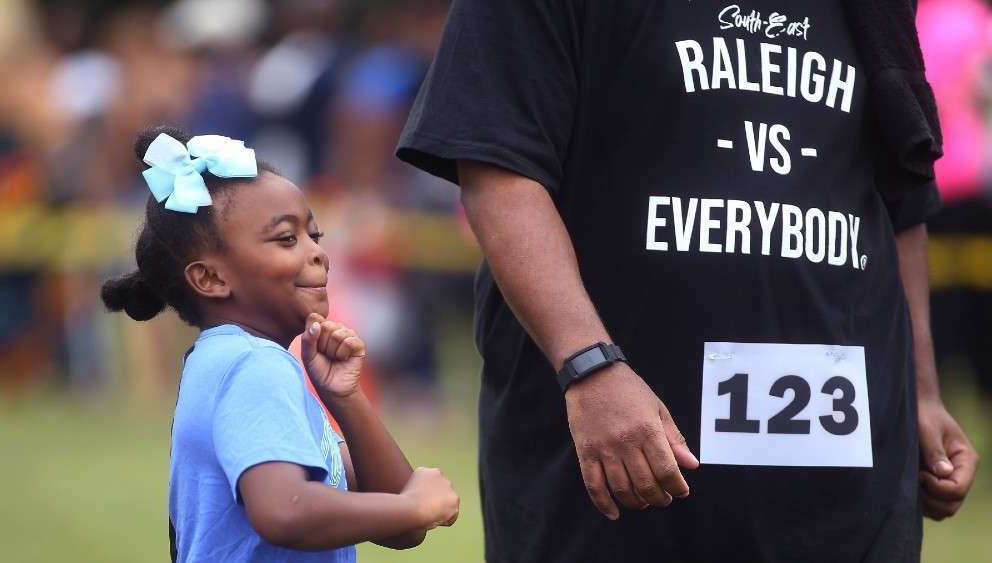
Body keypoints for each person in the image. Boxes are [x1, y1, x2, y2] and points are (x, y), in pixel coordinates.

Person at [396, 1, 980, 561]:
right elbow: (500, 171)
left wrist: (923, 394)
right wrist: (589, 364)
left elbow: (901, 196)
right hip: (617, 474)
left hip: (843, 489)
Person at [100, 125, 459, 562]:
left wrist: (346, 399)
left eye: (315, 236)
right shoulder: (251, 366)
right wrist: (413, 505)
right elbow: (284, 512)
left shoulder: (249, 362)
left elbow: (401, 530)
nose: (318, 253)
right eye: (287, 238)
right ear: (210, 278)